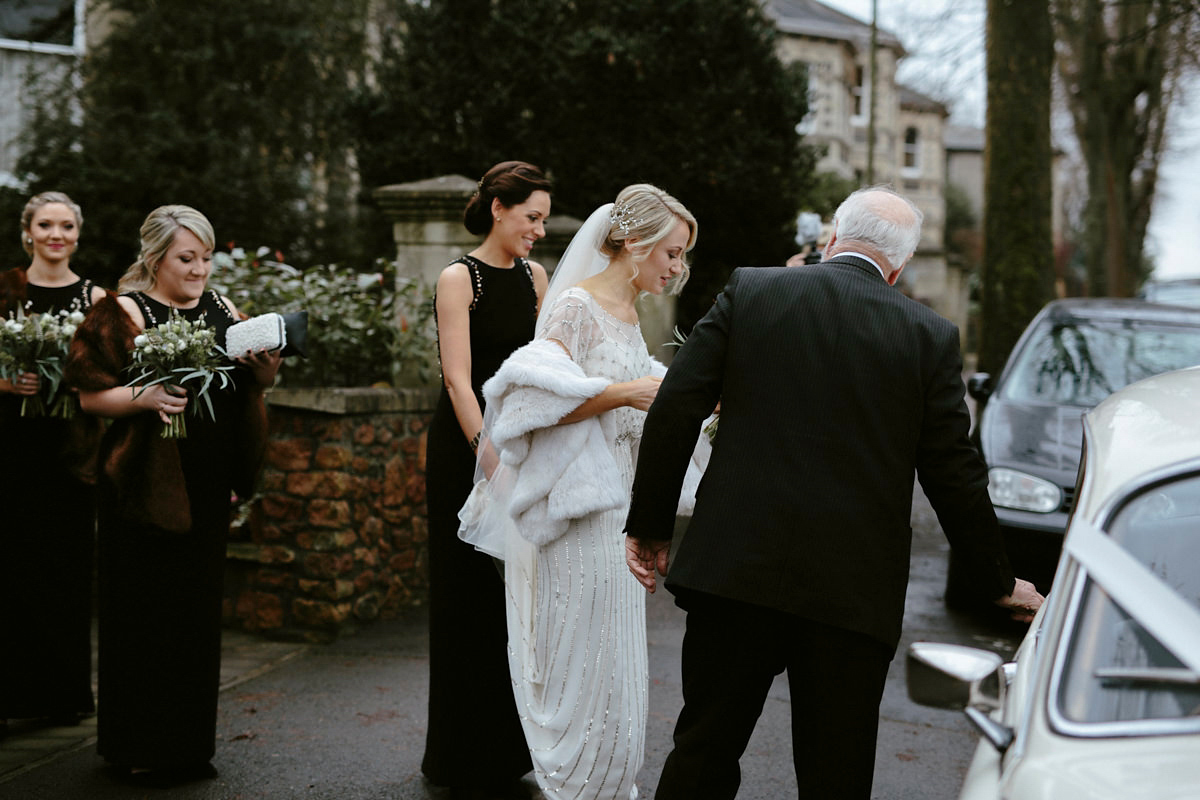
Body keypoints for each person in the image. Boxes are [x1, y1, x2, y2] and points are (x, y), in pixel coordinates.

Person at [623, 186, 1044, 800]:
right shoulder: (930, 336)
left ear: (830, 239)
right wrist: (998, 581)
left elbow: (674, 410)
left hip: (736, 569)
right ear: (899, 266)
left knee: (704, 748)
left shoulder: (754, 289)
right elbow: (954, 473)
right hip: (853, 591)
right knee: (836, 773)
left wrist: (652, 525)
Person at [461, 184, 698, 800]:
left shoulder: (630, 314)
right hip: (580, 503)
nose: (677, 267)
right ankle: (574, 780)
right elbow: (529, 403)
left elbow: (637, 405)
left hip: (620, 494)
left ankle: (608, 779)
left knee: (617, 645)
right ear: (636, 243)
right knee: (583, 642)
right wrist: (626, 393)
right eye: (671, 253)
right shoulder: (574, 306)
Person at [63, 205, 280, 779]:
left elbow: (245, 389)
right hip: (140, 482)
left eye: (207, 258)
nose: (200, 269)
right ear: (156, 257)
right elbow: (88, 396)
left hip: (207, 483)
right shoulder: (122, 311)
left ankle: (187, 747)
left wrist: (265, 373)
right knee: (142, 614)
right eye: (187, 258)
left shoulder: (225, 309)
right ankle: (135, 748)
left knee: (194, 615)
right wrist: (147, 399)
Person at [422, 160, 552, 800]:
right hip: (463, 447)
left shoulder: (537, 278)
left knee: (515, 601)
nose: (539, 231)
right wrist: (486, 454)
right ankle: (456, 755)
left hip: (519, 449)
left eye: (545, 220)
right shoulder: (458, 278)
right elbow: (456, 378)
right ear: (499, 208)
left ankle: (507, 750)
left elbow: (547, 365)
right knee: (464, 597)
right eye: (532, 217)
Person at [0, 192, 106, 735]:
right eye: (45, 224)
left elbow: (111, 373)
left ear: (77, 235)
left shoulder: (96, 297)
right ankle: (13, 696)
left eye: (66, 225)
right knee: (11, 570)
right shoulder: (5, 289)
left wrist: (69, 378)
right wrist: (2, 381)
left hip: (70, 451)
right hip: (11, 449)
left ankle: (66, 696)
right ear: (28, 232)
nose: (55, 234)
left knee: (65, 570)